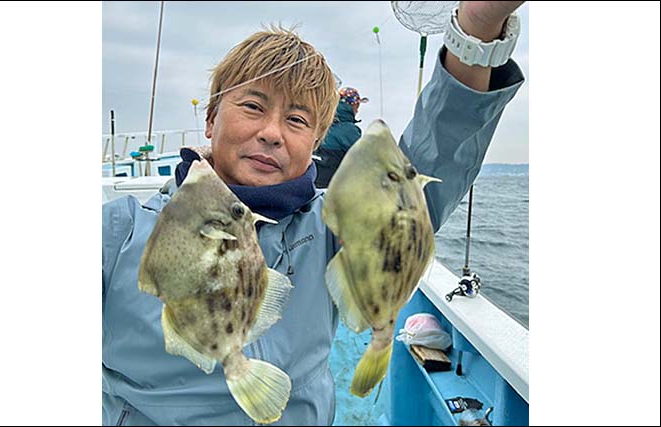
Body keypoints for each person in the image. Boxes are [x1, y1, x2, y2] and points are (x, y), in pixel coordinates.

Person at [102, 2, 525, 425]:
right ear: (211, 120)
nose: (271, 132)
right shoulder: (121, 231)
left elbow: (432, 159)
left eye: (297, 119)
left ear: (315, 143)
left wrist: (478, 26)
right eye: (253, 106)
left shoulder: (330, 229)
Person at [313, 87, 369, 188]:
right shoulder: (350, 131)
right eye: (357, 105)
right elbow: (364, 159)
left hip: (314, 183)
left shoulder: (321, 124)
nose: (358, 109)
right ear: (351, 105)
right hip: (333, 187)